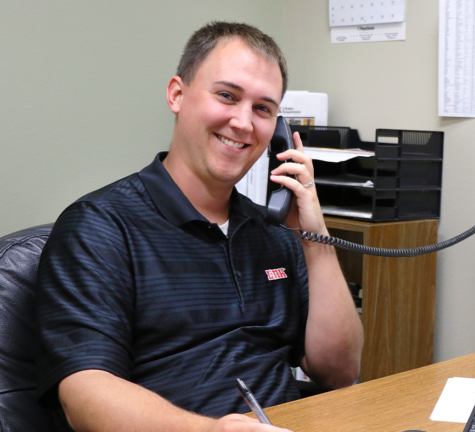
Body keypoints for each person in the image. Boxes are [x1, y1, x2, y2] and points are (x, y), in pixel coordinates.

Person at [35, 21, 363, 432]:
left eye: (263, 109)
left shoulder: (274, 232)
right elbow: (84, 393)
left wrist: (316, 242)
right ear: (177, 94)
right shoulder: (100, 227)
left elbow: (339, 373)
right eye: (227, 96)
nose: (243, 123)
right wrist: (212, 430)